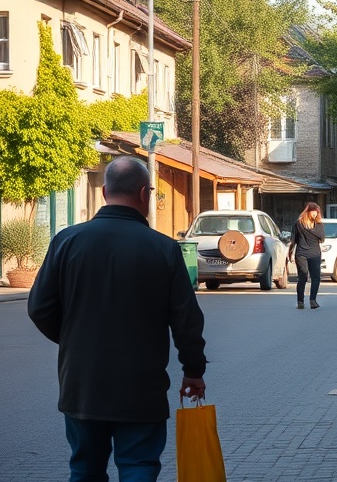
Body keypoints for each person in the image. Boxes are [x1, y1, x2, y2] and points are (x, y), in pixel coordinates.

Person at [27, 156, 207, 482]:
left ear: (105, 191)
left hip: (82, 384)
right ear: (144, 193)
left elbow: (40, 308)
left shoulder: (66, 242)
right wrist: (193, 371)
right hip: (141, 388)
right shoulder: (164, 249)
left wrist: (75, 338)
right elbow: (187, 321)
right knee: (139, 466)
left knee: (84, 470)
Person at [288, 202, 326, 309]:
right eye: (313, 212)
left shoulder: (318, 224)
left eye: (317, 212)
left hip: (314, 254)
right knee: (302, 277)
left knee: (316, 277)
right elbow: (294, 240)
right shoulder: (299, 224)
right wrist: (290, 252)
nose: (315, 214)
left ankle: (313, 300)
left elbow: (322, 238)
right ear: (308, 212)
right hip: (301, 253)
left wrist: (316, 226)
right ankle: (300, 301)